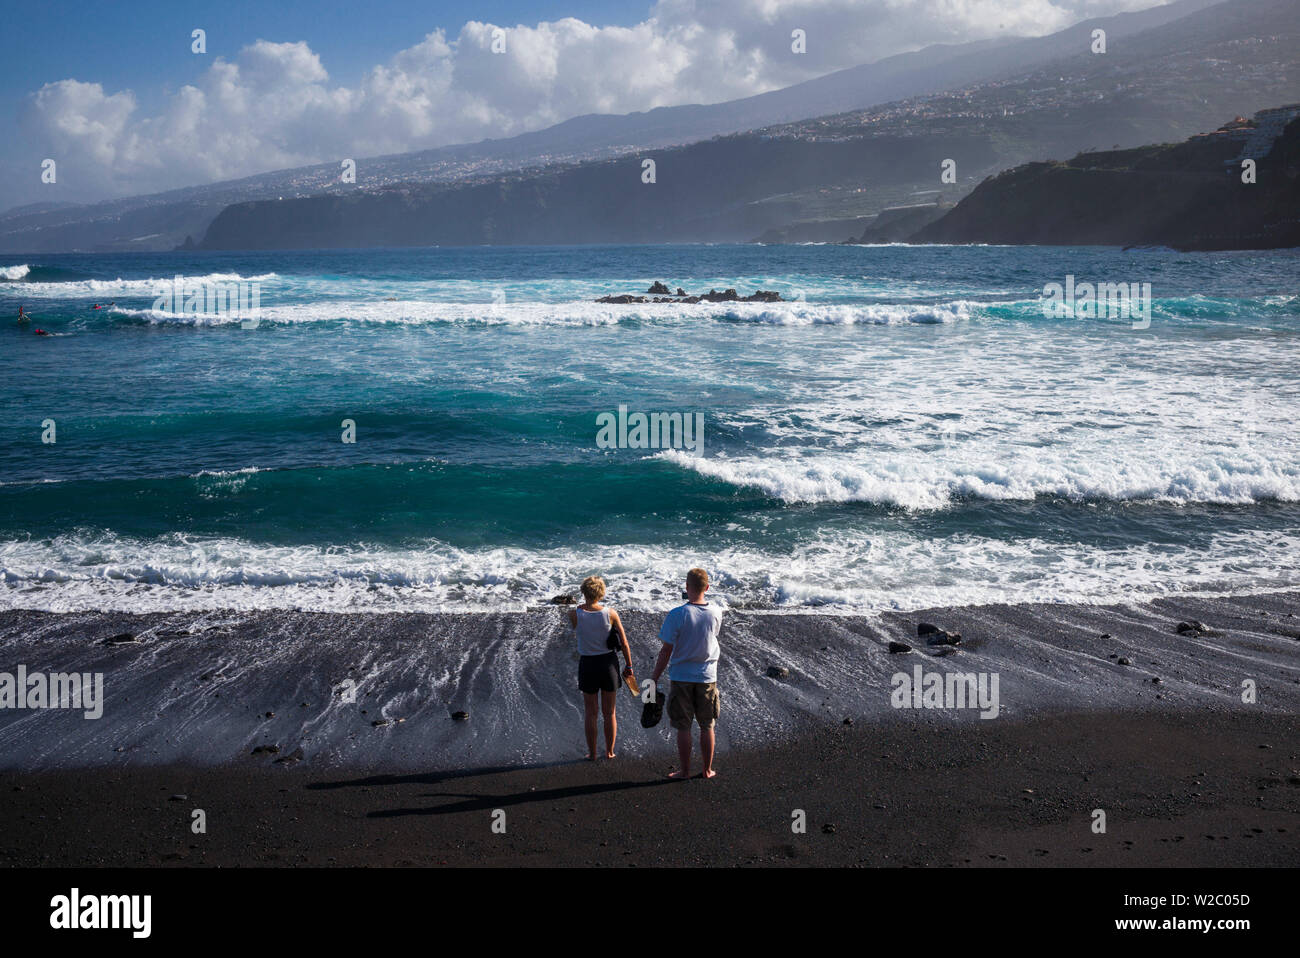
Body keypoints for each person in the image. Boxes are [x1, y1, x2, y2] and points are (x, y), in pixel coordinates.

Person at [651, 567, 723, 779]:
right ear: (707, 588)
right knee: (707, 725)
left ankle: (684, 770)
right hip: (707, 676)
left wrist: (654, 677)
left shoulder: (678, 614)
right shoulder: (716, 612)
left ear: (686, 587)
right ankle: (707, 769)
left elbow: (666, 649)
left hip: (681, 676)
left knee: (683, 726)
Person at [568, 575, 632, 760]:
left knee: (591, 713)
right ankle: (610, 752)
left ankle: (593, 753)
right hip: (608, 664)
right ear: (601, 593)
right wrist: (629, 665)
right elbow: (624, 643)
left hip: (588, 664)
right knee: (609, 712)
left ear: (583, 592)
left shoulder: (575, 614)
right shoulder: (610, 613)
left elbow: (578, 627)